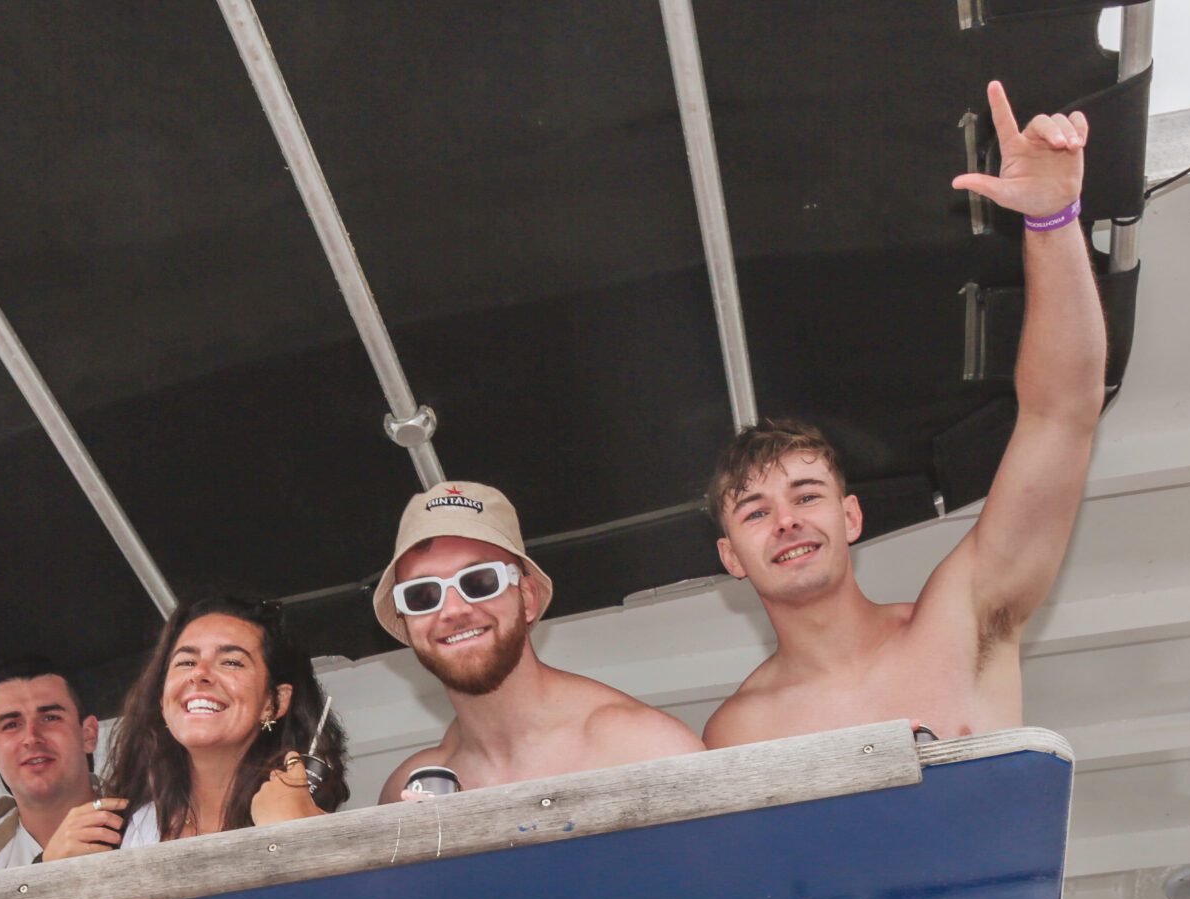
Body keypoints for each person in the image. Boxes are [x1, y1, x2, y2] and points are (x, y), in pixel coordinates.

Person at [702, 80, 1105, 748]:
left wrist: (1053, 220)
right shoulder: (738, 733)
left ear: (852, 516)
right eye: (754, 512)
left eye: (807, 495)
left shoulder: (962, 619)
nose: (788, 521)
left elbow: (1061, 415)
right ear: (731, 556)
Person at [373, 481, 701, 802]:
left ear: (527, 597)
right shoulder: (407, 789)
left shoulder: (646, 749)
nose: (454, 609)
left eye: (480, 581)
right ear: (407, 621)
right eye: (421, 595)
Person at [54, 593, 348, 853]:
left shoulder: (300, 816)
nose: (200, 674)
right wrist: (50, 868)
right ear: (162, 699)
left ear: (275, 702)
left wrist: (298, 836)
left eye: (231, 662)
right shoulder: (120, 833)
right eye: (186, 662)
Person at [0, 657, 115, 876]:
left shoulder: (146, 820)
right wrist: (45, 868)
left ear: (88, 734)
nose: (31, 738)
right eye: (11, 725)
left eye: (50, 718)